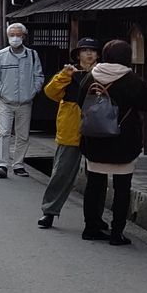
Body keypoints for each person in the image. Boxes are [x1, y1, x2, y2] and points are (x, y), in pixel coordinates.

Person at [77, 40, 147, 245]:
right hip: (124, 141)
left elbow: (80, 100)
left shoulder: (91, 76)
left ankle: (90, 228)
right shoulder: (132, 79)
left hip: (95, 139)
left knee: (94, 185)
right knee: (122, 189)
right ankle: (116, 233)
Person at [37, 38, 99, 229]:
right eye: (85, 50)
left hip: (97, 128)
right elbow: (50, 92)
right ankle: (49, 211)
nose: (89, 54)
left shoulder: (102, 73)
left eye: (92, 50)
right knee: (62, 172)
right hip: (71, 128)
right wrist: (65, 75)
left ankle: (95, 218)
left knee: (97, 177)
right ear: (78, 54)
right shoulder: (70, 72)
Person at [0, 22, 45, 178]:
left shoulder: (32, 55)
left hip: (26, 102)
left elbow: (39, 75)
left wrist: (33, 91)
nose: (15, 38)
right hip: (5, 101)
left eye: (18, 35)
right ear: (7, 37)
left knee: (23, 135)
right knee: (4, 132)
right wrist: (1, 91)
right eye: (12, 35)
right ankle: (2, 164)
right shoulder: (0, 55)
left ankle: (19, 165)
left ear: (24, 36)